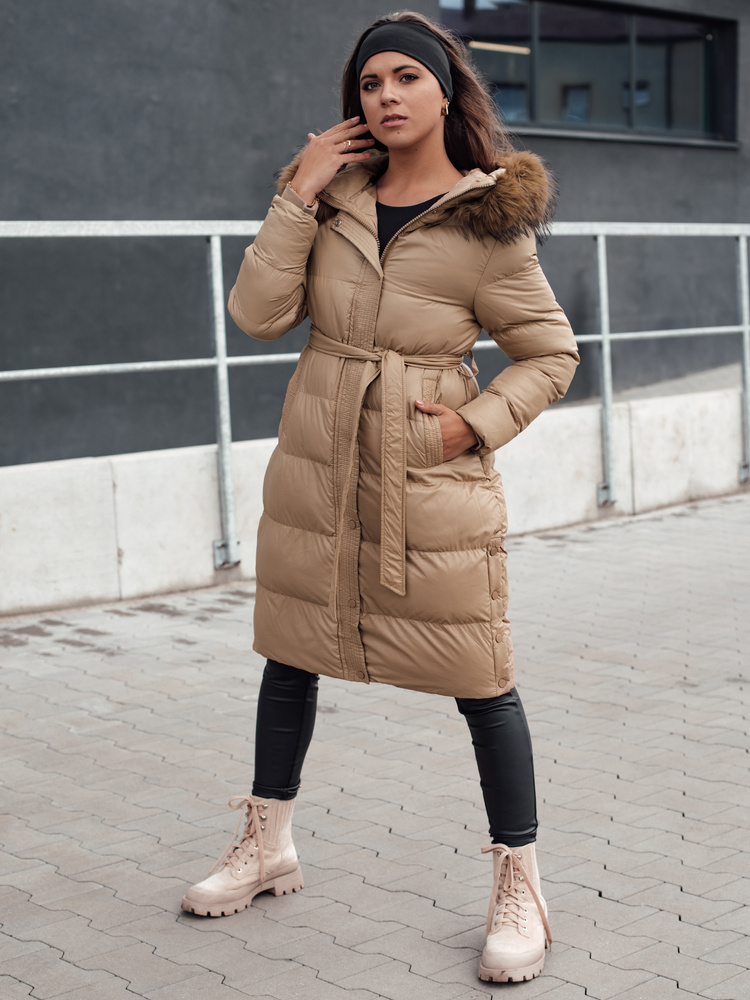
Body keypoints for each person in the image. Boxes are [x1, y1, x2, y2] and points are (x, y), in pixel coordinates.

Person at [181, 11, 578, 984]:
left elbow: (551, 353)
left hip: (427, 478)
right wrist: (298, 193)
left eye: (407, 77)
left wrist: (471, 426)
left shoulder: (487, 222)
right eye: (369, 82)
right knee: (289, 651)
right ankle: (267, 843)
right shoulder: (331, 201)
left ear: (446, 92)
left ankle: (520, 885)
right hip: (319, 460)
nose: (387, 94)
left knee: (481, 676)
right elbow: (258, 315)